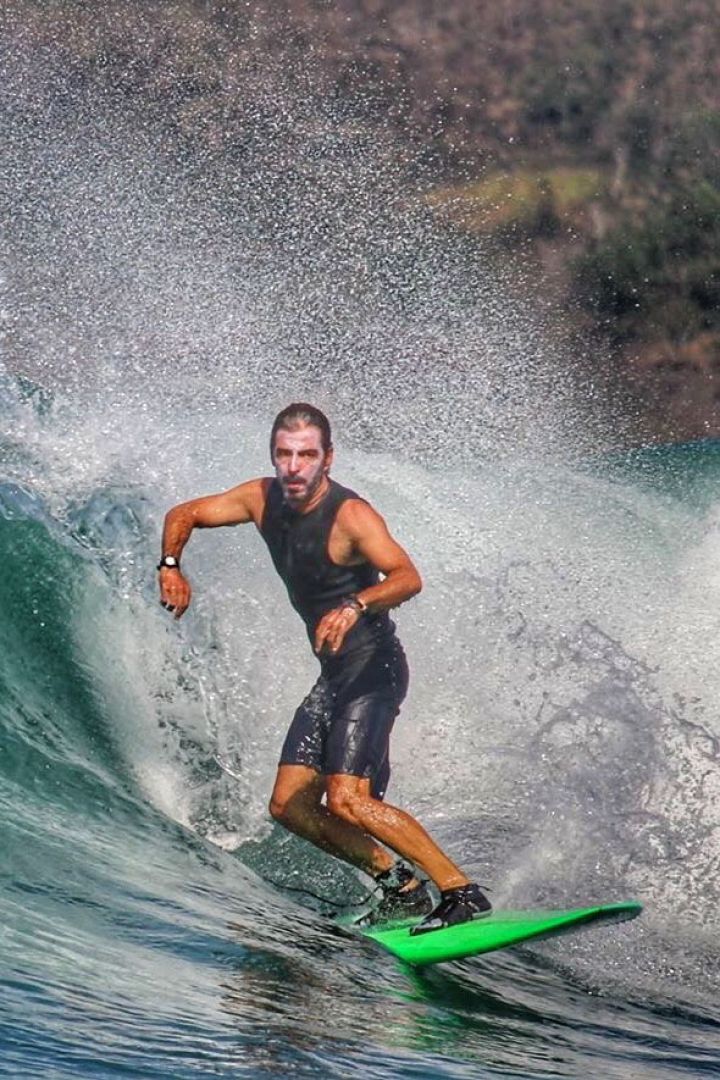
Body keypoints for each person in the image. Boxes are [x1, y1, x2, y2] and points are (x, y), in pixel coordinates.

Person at [158, 403, 491, 933]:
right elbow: (184, 513)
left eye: (307, 455)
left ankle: (461, 892)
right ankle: (401, 887)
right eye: (284, 455)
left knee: (347, 799)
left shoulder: (351, 516)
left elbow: (408, 577)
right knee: (288, 805)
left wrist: (357, 604)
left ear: (327, 459)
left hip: (374, 669)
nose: (294, 467)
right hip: (333, 677)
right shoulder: (259, 498)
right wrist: (171, 565)